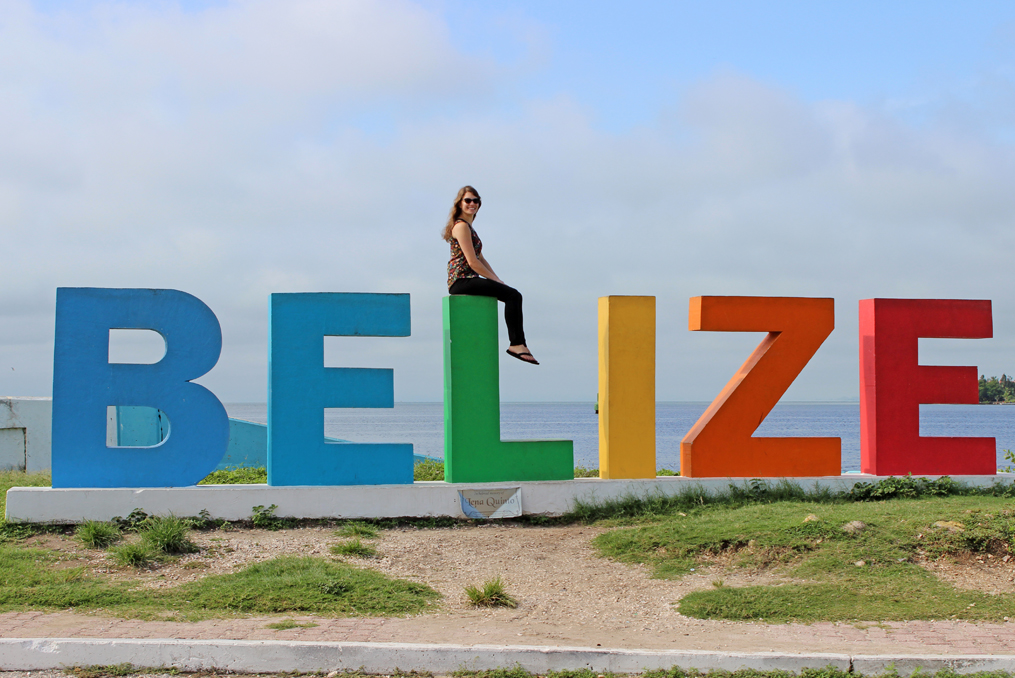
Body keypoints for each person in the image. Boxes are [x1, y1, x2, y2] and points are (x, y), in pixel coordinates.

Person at [443, 185, 538, 365]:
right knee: (513, 295)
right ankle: (517, 344)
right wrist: (495, 281)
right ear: (459, 203)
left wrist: (497, 279)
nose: (472, 204)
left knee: (511, 293)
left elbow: (480, 257)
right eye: (468, 200)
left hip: (469, 279)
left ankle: (518, 343)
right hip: (461, 280)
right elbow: (472, 262)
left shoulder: (469, 227)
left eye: (476, 200)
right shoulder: (461, 226)